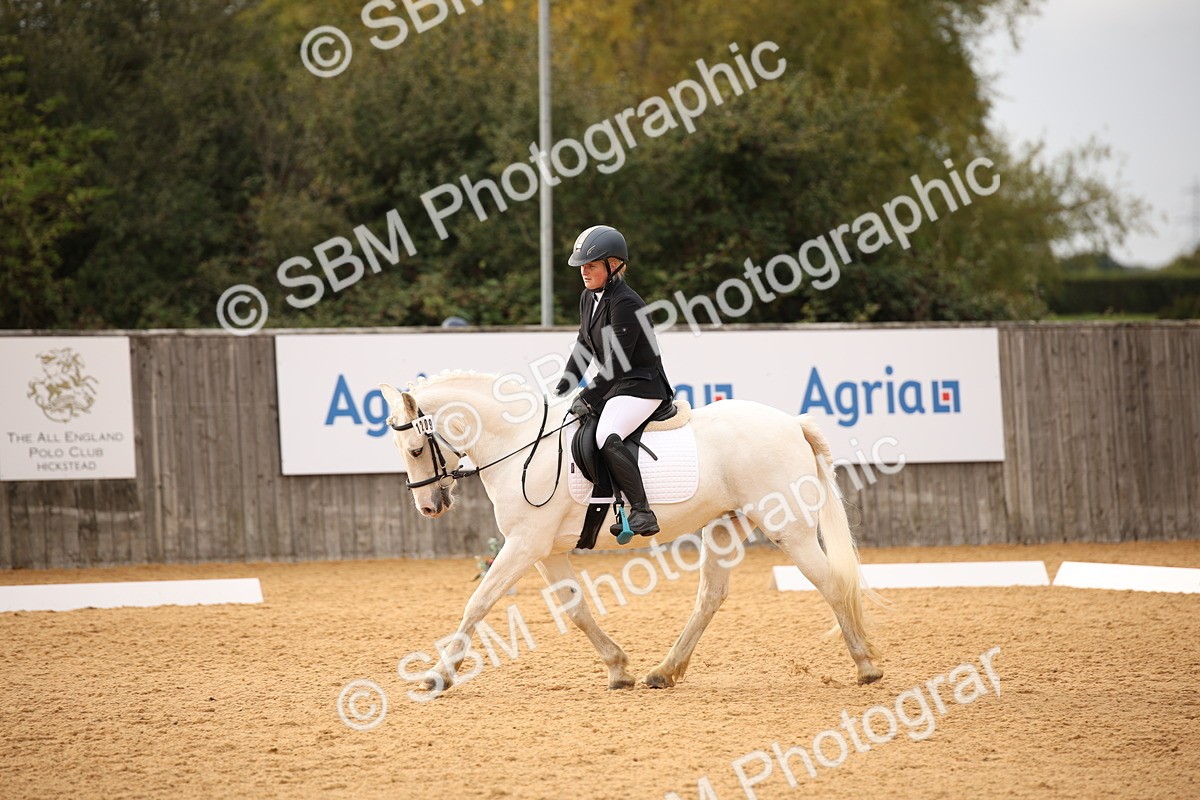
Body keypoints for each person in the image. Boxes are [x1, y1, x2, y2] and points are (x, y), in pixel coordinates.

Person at [553, 225, 674, 536]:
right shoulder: (588, 297)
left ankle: (642, 512)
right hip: (617, 387)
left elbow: (618, 362)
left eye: (591, 265)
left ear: (614, 265)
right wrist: (564, 387)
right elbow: (583, 345)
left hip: (642, 386)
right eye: (582, 266)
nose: (584, 271)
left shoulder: (626, 302)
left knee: (607, 433)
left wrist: (589, 397)